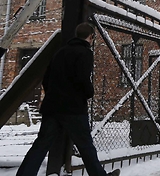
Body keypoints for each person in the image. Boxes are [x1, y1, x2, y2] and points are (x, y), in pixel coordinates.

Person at [17, 22, 120, 176]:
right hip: (74, 109)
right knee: (85, 145)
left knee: (41, 145)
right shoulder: (84, 53)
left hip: (52, 107)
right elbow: (82, 78)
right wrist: (89, 92)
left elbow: (46, 79)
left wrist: (54, 94)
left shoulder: (60, 52)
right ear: (91, 37)